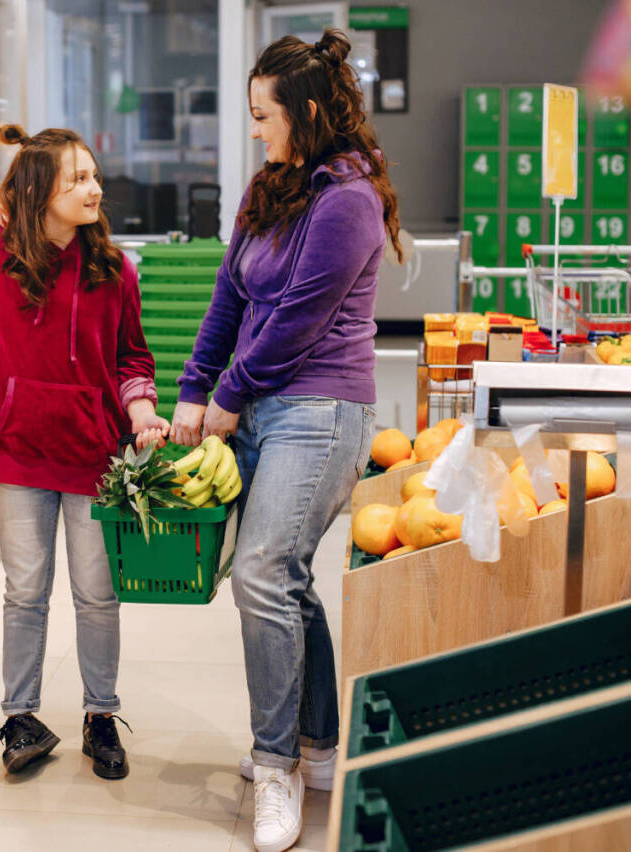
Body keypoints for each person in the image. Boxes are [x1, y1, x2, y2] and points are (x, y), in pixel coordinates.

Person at [169, 30, 401, 852]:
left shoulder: (349, 198)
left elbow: (301, 319)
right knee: (288, 579)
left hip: (322, 407)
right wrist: (195, 388)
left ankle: (277, 771)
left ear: (305, 111)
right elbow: (228, 299)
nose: (257, 129)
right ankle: (318, 747)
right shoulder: (271, 187)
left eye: (265, 115)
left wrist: (228, 395)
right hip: (263, 405)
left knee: (262, 571)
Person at [0, 125, 168, 781]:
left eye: (94, 177)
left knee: (97, 595)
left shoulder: (114, 269)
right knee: (25, 592)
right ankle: (20, 716)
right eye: (77, 179)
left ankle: (101, 716)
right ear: (40, 190)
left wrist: (143, 410)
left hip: (95, 456)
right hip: (17, 455)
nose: (94, 188)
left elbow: (132, 358)